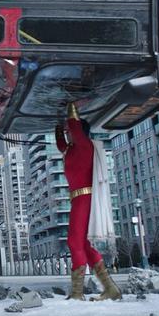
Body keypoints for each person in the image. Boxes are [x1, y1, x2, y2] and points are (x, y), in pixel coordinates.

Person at [55, 103, 121, 301]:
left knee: (74, 242)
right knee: (82, 244)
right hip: (78, 199)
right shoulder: (71, 150)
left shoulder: (85, 145)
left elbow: (74, 127)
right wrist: (57, 125)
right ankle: (110, 289)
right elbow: (60, 143)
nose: (68, 134)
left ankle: (77, 292)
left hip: (85, 198)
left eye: (70, 131)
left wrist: (70, 107)